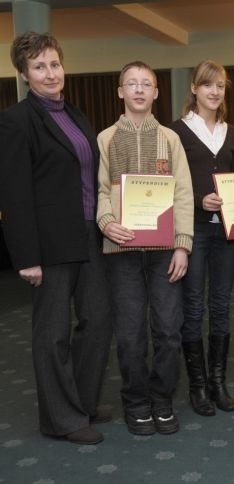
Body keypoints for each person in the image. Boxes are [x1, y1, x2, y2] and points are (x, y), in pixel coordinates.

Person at [0, 32, 112, 445]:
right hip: (48, 245)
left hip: (88, 235)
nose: (50, 73)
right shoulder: (15, 121)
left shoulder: (78, 115)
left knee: (98, 321)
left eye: (54, 64)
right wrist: (27, 257)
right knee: (53, 333)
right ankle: (60, 419)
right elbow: (13, 193)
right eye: (39, 67)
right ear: (25, 75)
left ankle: (80, 402)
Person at [96, 61, 194, 436]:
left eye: (146, 84)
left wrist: (182, 246)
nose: (139, 90)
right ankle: (136, 403)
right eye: (131, 84)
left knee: (169, 329)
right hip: (121, 251)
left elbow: (183, 192)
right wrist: (107, 222)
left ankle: (163, 398)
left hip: (164, 251)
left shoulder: (170, 140)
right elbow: (100, 190)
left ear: (156, 93)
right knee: (131, 332)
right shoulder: (105, 139)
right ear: (120, 92)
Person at [170, 60, 234, 416]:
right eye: (208, 85)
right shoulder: (177, 132)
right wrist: (200, 200)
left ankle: (218, 382)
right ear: (195, 89)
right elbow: (172, 185)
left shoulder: (233, 133)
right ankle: (197, 387)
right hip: (193, 229)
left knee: (222, 306)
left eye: (221, 86)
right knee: (194, 307)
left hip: (225, 232)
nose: (215, 92)